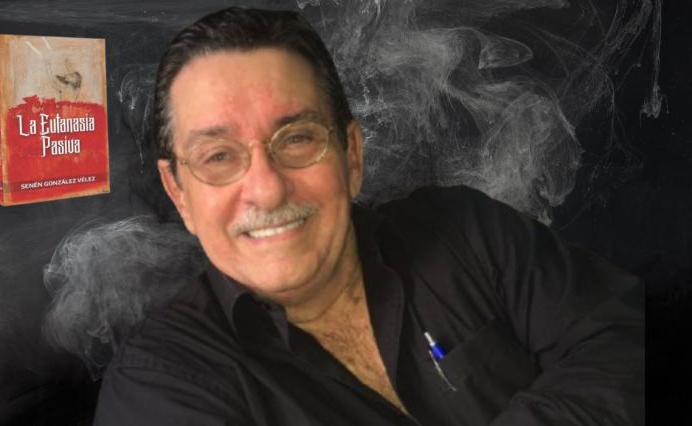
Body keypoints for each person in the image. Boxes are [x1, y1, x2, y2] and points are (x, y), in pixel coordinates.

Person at [93, 7, 644, 425]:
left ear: (352, 155)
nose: (266, 188)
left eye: (298, 138)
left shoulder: (464, 230)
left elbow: (621, 341)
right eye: (218, 157)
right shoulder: (159, 387)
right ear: (179, 192)